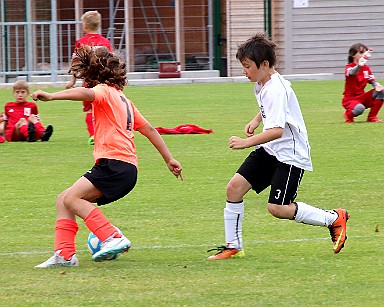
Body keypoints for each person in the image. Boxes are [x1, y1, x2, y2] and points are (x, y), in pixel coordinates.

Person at [32, 45, 183, 268]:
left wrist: (52, 96)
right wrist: (169, 159)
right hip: (126, 169)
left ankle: (112, 237)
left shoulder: (103, 91)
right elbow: (150, 129)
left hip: (114, 164)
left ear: (94, 72)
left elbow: (87, 94)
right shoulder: (124, 100)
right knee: (64, 199)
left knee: (73, 199)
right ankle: (64, 255)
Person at [207, 33, 350, 260]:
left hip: (290, 155)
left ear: (264, 64)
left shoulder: (276, 88)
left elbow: (277, 130)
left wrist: (245, 143)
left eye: (247, 66)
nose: (244, 71)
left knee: (278, 208)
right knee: (234, 188)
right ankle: (233, 246)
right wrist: (256, 120)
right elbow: (271, 110)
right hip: (271, 149)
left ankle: (333, 218)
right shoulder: (263, 82)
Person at [66, 10, 113, 144]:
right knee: (104, 108)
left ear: (85, 24)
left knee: (90, 109)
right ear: (98, 25)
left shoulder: (81, 42)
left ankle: (93, 135)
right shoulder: (105, 42)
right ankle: (106, 133)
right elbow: (111, 62)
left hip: (88, 81)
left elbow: (76, 62)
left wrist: (72, 80)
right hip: (104, 81)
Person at [342, 43, 384, 123]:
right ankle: (348, 114)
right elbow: (352, 73)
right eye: (361, 53)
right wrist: (358, 66)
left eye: (364, 53)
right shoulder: (349, 67)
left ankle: (372, 117)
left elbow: (372, 81)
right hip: (350, 99)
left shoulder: (366, 68)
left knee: (382, 91)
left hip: (362, 97)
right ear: (353, 55)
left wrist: (377, 86)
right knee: (359, 109)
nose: (363, 55)